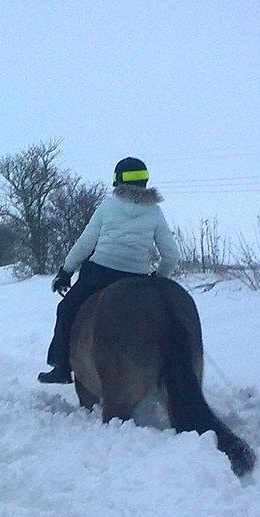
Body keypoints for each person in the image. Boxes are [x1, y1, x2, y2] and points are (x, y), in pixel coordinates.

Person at [38, 157, 180, 383]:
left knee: (66, 309)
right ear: (145, 181)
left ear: (118, 182)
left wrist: (66, 270)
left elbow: (85, 243)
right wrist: (159, 277)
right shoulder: (155, 212)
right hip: (137, 278)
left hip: (100, 274)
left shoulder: (108, 206)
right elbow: (171, 256)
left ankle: (62, 367)